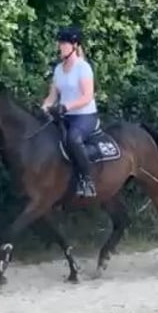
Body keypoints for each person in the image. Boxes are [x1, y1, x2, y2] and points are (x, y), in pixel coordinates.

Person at [41, 26, 98, 197]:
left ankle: (87, 180)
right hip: (63, 115)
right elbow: (52, 96)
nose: (59, 46)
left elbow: (87, 96)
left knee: (73, 138)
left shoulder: (83, 68)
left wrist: (66, 106)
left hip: (85, 116)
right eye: (60, 43)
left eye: (63, 43)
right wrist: (44, 107)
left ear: (74, 45)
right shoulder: (58, 69)